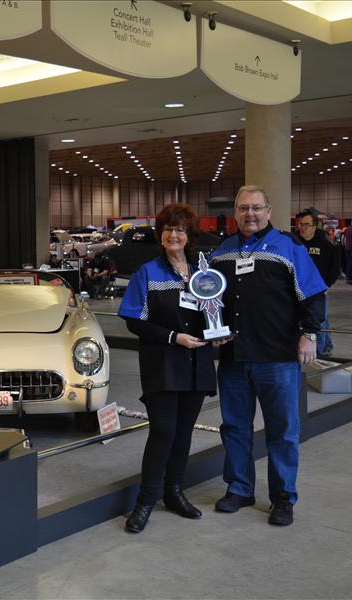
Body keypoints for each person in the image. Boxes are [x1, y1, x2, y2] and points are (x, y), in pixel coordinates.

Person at [209, 186, 326, 527]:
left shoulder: (288, 248)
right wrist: (211, 329)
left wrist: (309, 333)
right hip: (233, 357)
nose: (251, 214)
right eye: (244, 208)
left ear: (269, 211)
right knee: (235, 427)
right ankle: (240, 488)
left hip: (277, 357)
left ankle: (283, 497)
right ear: (235, 212)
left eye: (257, 208)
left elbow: (313, 294)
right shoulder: (221, 253)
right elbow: (209, 300)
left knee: (283, 430)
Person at [118, 204, 217, 533]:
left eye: (180, 229)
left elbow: (214, 311)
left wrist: (218, 332)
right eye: (168, 229)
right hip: (163, 363)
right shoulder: (147, 273)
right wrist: (174, 337)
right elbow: (134, 321)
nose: (174, 235)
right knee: (163, 432)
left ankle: (174, 492)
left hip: (197, 362)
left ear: (189, 235)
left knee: (184, 433)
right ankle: (146, 501)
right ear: (160, 234)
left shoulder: (203, 272)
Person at [296, 211, 341, 357]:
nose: (303, 228)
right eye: (301, 224)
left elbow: (335, 267)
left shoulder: (326, 243)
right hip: (298, 289)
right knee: (303, 319)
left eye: (307, 225)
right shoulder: (294, 242)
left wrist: (326, 285)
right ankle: (326, 345)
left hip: (317, 289)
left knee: (319, 320)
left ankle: (320, 351)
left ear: (314, 227)